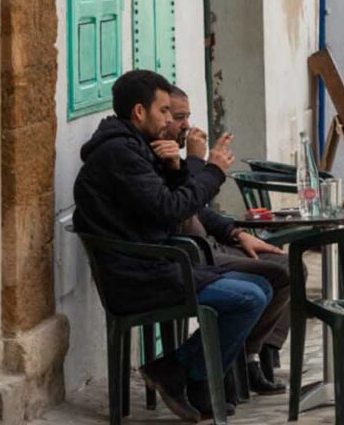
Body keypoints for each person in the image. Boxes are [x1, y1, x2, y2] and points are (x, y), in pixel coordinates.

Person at [73, 69, 266, 422]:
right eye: (164, 111)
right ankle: (180, 371)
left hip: (156, 266)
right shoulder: (120, 154)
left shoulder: (132, 148)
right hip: (138, 277)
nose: (168, 121)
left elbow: (165, 206)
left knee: (260, 287)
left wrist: (176, 167)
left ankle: (187, 376)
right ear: (138, 112)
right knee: (250, 296)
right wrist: (212, 172)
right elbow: (170, 210)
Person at [163, 87, 289, 397]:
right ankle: (229, 363)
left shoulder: (170, 157)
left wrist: (237, 233)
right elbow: (186, 204)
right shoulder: (158, 157)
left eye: (186, 117)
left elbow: (201, 209)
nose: (187, 126)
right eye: (177, 117)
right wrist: (200, 164)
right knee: (268, 280)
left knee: (285, 265)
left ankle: (254, 355)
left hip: (208, 245)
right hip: (191, 256)